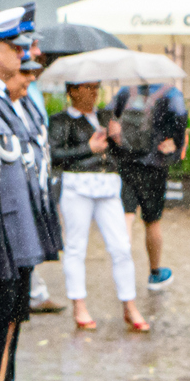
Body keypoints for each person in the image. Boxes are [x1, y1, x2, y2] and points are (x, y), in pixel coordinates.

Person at [48, 80, 146, 332]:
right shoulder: (61, 120)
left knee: (121, 246)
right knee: (76, 247)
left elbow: (128, 150)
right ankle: (79, 304)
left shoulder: (105, 116)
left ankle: (129, 304)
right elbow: (54, 155)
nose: (93, 93)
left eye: (96, 87)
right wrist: (86, 149)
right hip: (77, 184)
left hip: (107, 184)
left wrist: (119, 137)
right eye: (87, 87)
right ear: (72, 90)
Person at [110, 79, 185, 290]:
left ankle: (122, 272)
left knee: (127, 215)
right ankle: (155, 273)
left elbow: (108, 113)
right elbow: (181, 115)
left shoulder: (127, 89)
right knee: (152, 221)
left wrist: (116, 137)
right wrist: (176, 143)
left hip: (127, 162)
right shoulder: (170, 93)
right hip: (155, 163)